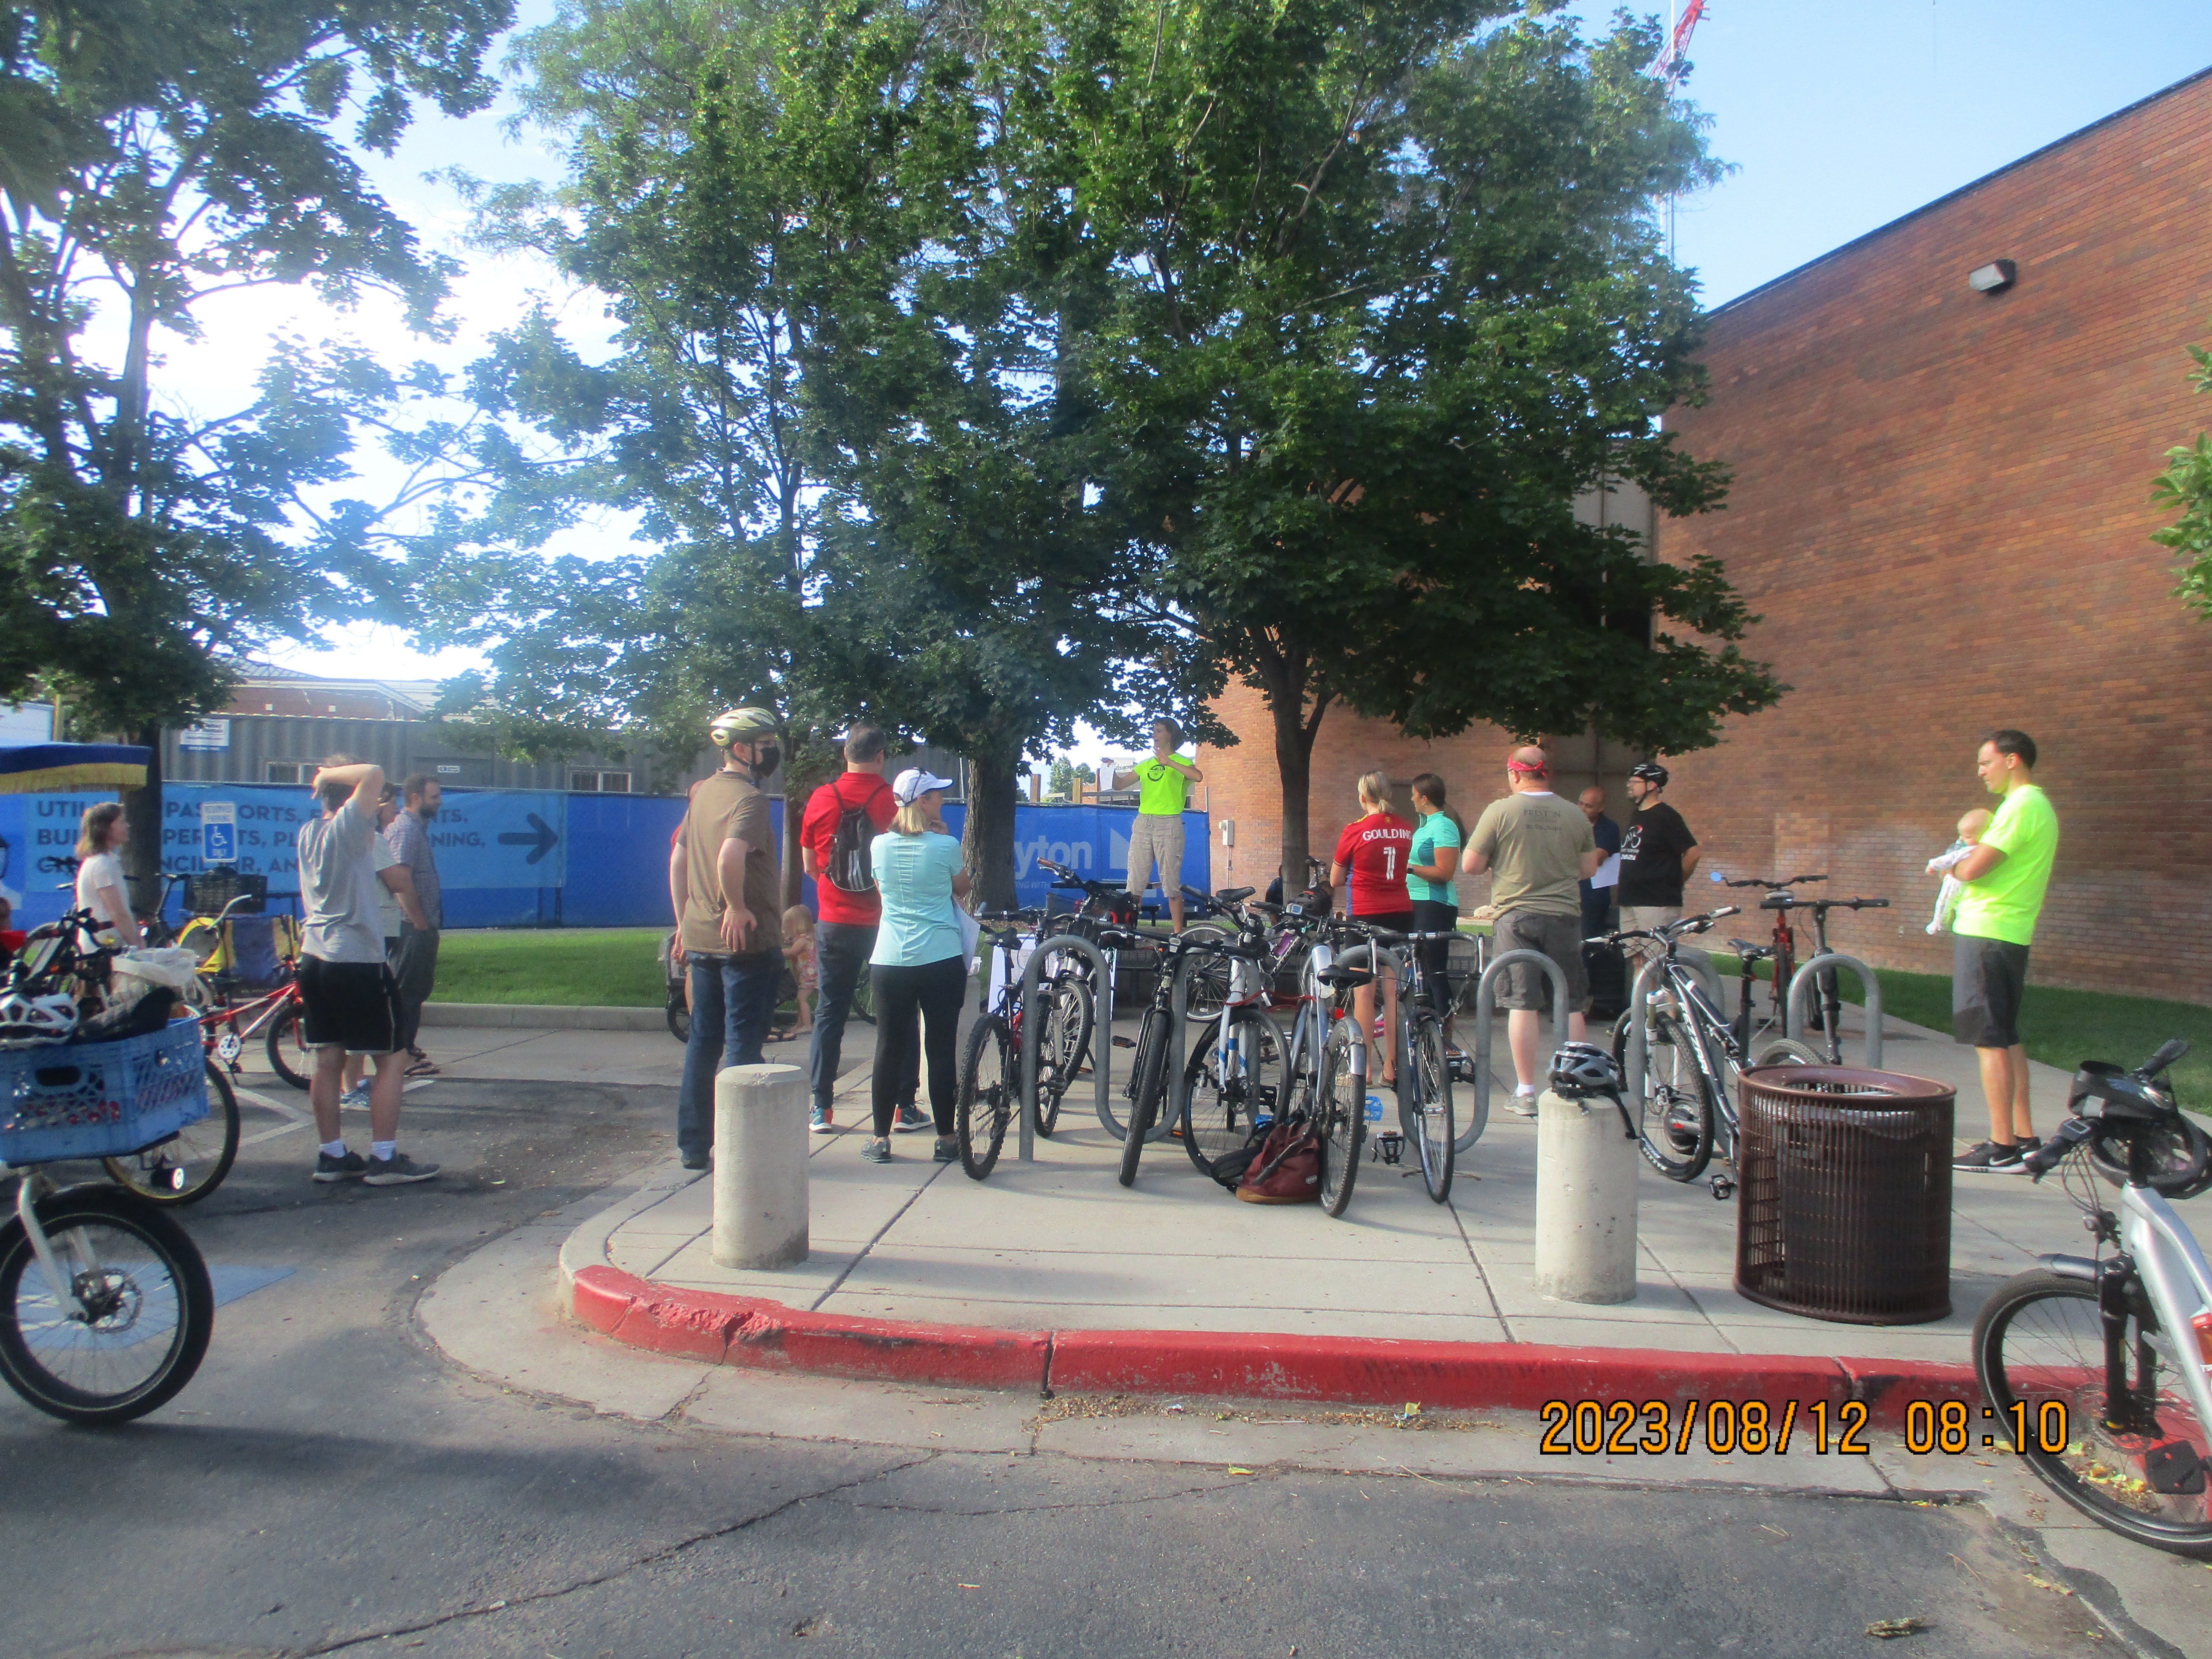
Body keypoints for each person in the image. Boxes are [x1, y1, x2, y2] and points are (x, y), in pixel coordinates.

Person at [296, 755, 438, 1186]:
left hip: (314, 956)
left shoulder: (308, 832)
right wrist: (326, 775)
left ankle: (332, 1155)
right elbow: (375, 772)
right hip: (355, 958)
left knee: (328, 1060)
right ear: (355, 799)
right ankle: (384, 1158)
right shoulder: (349, 827)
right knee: (392, 1058)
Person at [669, 707, 787, 1172]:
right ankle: (741, 1148)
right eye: (765, 744)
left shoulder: (702, 794)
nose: (772, 751)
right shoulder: (750, 799)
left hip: (701, 939)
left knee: (703, 1042)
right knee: (743, 1044)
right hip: (746, 943)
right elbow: (729, 856)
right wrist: (736, 907)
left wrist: (683, 921)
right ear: (741, 749)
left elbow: (678, 859)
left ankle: (694, 1145)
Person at [1460, 746, 1600, 1115]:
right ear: (1546, 773)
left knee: (1522, 1003)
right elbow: (1589, 869)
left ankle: (1525, 1092)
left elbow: (1471, 865)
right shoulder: (1575, 814)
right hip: (1565, 915)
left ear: (1515, 774)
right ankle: (1574, 1084)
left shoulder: (1500, 811)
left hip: (1516, 916)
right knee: (1571, 1002)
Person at [798, 722, 922, 1136]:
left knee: (830, 1011)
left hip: (834, 922)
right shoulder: (892, 803)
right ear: (881, 757)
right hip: (885, 923)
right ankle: (905, 1106)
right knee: (900, 1015)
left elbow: (810, 866)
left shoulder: (820, 798)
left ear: (845, 753)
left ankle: (821, 1107)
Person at [1948, 730, 2059, 1174]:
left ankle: (2001, 1147)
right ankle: (2024, 1137)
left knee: (1988, 1038)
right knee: (2006, 1036)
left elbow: (1973, 868)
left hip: (1987, 932)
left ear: (2012, 760)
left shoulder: (2021, 805)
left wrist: (1953, 863)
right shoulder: (2037, 805)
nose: (1980, 772)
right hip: (2008, 934)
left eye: (1985, 762)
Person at [860, 768, 972, 1165]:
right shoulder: (946, 845)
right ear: (923, 802)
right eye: (936, 795)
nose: (941, 799)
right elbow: (963, 888)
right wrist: (943, 839)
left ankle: (879, 1139)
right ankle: (946, 1138)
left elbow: (882, 891)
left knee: (889, 1046)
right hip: (940, 957)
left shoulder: (879, 846)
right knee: (940, 1049)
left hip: (891, 958)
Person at [342, 784, 429, 1110]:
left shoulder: (335, 836)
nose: (396, 812)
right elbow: (398, 880)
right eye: (392, 805)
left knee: (362, 1011)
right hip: (371, 936)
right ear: (376, 806)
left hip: (364, 935)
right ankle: (354, 1085)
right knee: (365, 1012)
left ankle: (354, 1081)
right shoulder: (372, 840)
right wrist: (417, 917)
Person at [1330, 771, 1414, 1086]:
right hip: (1401, 910)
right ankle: (1392, 1068)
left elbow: (1336, 879)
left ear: (1362, 797)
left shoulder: (1355, 830)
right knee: (1393, 991)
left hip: (1365, 913)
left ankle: (1362, 1070)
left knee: (1364, 991)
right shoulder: (1406, 828)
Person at [1615, 760, 1700, 978]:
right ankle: (1643, 1001)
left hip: (1656, 901)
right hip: (1631, 899)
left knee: (1657, 963)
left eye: (1635, 781)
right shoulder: (1638, 815)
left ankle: (1665, 1001)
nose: (1629, 785)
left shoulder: (1666, 816)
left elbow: (1693, 853)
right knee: (1638, 962)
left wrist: (1676, 881)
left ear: (1652, 785)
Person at [384, 774, 444, 1078]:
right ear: (416, 798)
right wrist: (418, 920)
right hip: (409, 927)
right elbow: (401, 881)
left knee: (416, 991)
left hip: (419, 926)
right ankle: (401, 1054)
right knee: (405, 994)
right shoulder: (405, 831)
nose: (440, 803)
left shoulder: (417, 830)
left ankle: (406, 1046)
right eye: (435, 797)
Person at [1402, 772, 1465, 1049]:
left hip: (1435, 905)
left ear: (1425, 798)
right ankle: (1427, 1035)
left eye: (1414, 794)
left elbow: (1445, 872)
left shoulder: (1444, 827)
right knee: (1418, 970)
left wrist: (1409, 868)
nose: (1411, 798)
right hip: (1416, 903)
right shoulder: (1424, 827)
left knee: (1433, 969)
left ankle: (1445, 1038)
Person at [1127, 718, 1203, 930]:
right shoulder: (1146, 764)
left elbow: (1198, 776)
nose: (1154, 735)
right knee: (1135, 884)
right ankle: (1129, 933)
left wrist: (1169, 763)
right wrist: (1109, 770)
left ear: (1170, 734)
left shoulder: (1182, 761)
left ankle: (1178, 935)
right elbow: (1119, 784)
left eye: (1159, 731)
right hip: (1143, 821)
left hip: (1169, 822)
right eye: (1154, 731)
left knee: (1171, 884)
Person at [73, 802, 143, 951]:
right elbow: (118, 913)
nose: (127, 826)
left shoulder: (106, 861)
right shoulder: (101, 865)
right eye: (121, 822)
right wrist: (137, 945)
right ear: (105, 829)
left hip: (108, 946)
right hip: (100, 949)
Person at [1924, 808, 1993, 935]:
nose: (1962, 839)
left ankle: (1938, 923)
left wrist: (1933, 865)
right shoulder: (1983, 849)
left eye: (1968, 837)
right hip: (1968, 888)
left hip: (1955, 883)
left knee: (1945, 901)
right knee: (1953, 901)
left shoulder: (1970, 850)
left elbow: (1950, 859)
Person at [1577, 785, 1623, 942]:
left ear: (1601, 808)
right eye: (1580, 803)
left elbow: (1596, 859)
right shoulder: (1570, 824)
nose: (1582, 809)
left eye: (1588, 806)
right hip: (1569, 893)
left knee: (1589, 940)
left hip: (1593, 896)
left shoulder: (1608, 828)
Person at [781, 903, 818, 1035]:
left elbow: (792, 952)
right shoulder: (810, 936)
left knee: (802, 999)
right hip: (811, 974)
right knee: (802, 999)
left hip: (810, 975)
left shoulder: (803, 940)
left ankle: (808, 1026)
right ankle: (799, 1024)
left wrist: (776, 952)